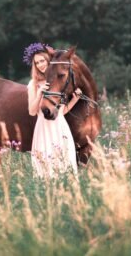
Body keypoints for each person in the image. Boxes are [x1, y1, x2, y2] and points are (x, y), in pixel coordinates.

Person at [23, 43, 82, 178]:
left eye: (42, 61)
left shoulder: (56, 80)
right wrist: (39, 95)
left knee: (66, 163)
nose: (40, 65)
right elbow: (32, 112)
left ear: (48, 61)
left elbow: (61, 112)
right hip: (43, 129)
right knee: (46, 166)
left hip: (60, 127)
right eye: (37, 63)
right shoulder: (33, 84)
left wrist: (74, 100)